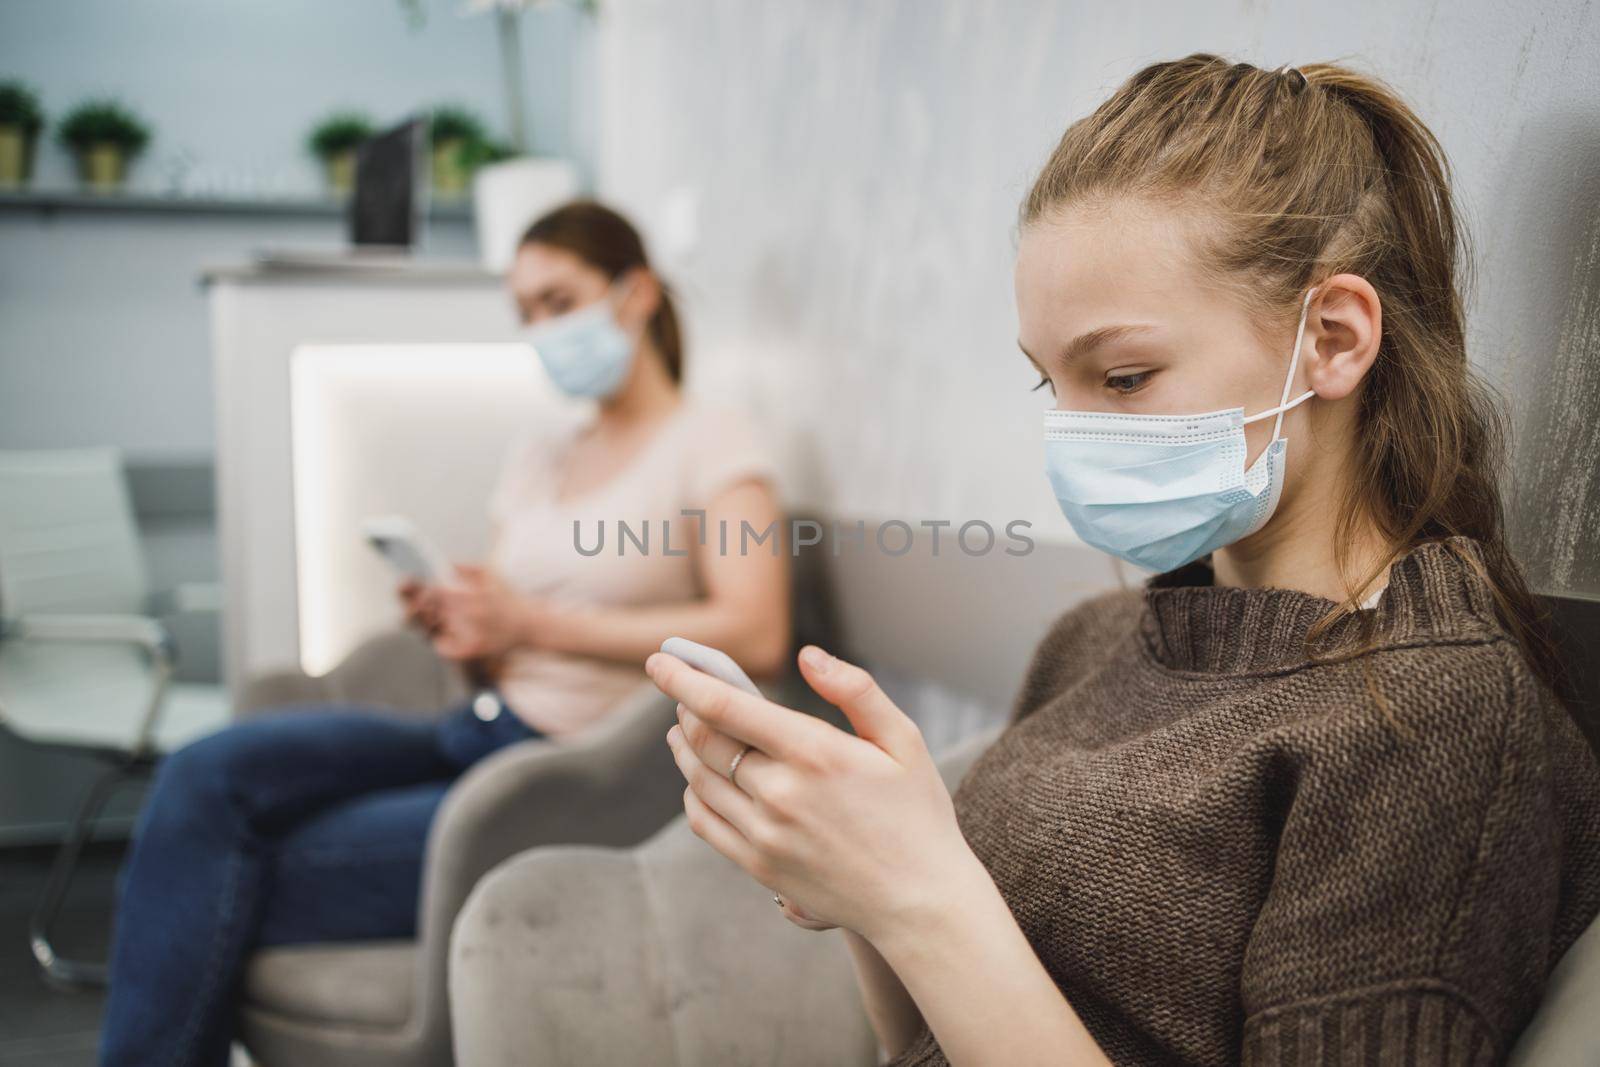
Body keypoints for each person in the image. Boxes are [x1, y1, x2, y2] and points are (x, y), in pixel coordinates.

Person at [649, 57, 1600, 1065]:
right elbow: (923, 1040)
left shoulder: (1431, 717)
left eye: (1123, 375)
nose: (1074, 433)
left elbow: (947, 925)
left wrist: (920, 891)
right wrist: (869, 887)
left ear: (1331, 338)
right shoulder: (1095, 640)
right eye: (1051, 385)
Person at [100, 200, 789, 1067]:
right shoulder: (542, 455)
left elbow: (757, 632)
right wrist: (470, 627)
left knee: (209, 870)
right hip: (480, 726)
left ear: (636, 292)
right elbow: (509, 625)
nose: (542, 328)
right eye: (526, 311)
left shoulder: (713, 441)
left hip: (569, 773)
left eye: (558, 299)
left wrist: (531, 620)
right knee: (203, 774)